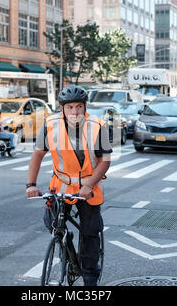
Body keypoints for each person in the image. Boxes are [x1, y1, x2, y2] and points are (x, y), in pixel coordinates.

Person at [26, 85, 112, 286]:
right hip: (61, 186)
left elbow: (105, 161)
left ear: (85, 107)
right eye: (70, 107)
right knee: (51, 223)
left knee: (90, 231)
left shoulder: (97, 126)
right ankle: (65, 240)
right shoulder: (50, 125)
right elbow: (37, 155)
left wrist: (89, 185)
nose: (75, 112)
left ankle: (90, 275)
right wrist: (31, 184)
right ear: (62, 108)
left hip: (88, 189)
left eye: (79, 107)